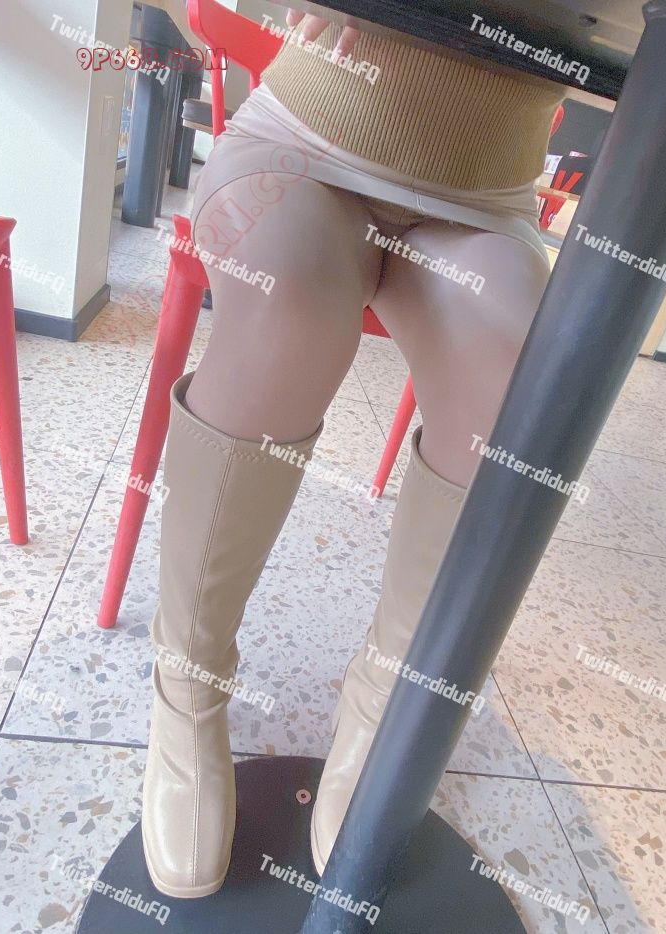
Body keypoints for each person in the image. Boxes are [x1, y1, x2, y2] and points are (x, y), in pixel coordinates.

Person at [141, 9, 565, 898]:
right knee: (288, 309)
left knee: (522, 385)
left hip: (484, 202)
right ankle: (186, 689)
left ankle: (381, 703)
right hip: (302, 145)